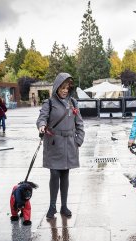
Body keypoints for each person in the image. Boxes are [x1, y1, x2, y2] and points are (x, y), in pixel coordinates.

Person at [36, 72, 85, 219]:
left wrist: (78, 140)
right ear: (57, 87)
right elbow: (41, 118)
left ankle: (64, 206)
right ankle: (52, 206)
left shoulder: (73, 103)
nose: (65, 90)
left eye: (67, 88)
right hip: (54, 143)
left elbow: (80, 123)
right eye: (62, 87)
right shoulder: (49, 103)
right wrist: (42, 126)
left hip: (70, 144)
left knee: (65, 175)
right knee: (54, 174)